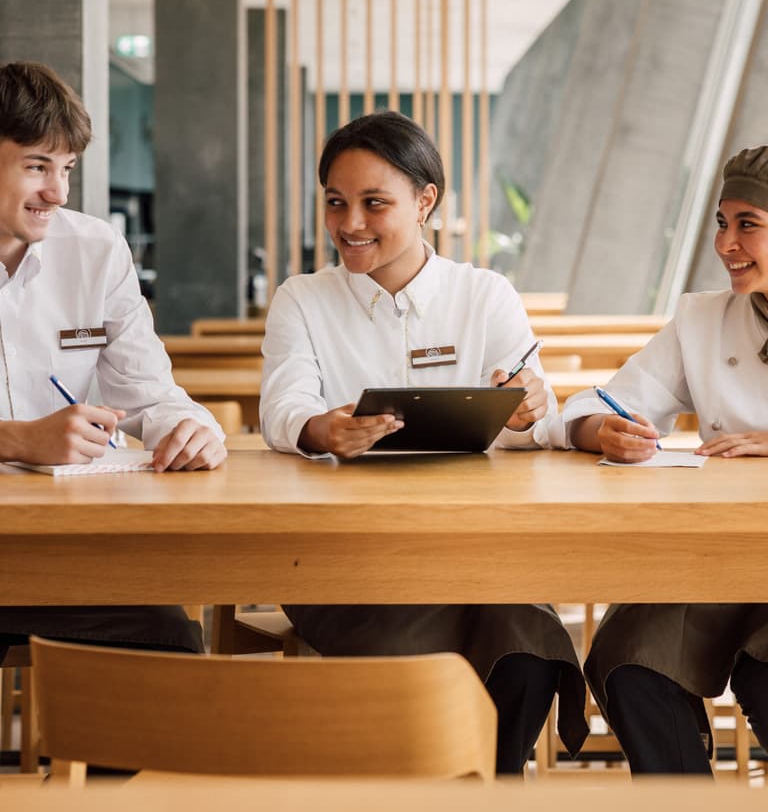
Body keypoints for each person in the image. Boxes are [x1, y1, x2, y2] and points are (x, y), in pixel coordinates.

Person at [260, 110, 588, 773]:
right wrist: (327, 429)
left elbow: (533, 409)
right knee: (461, 635)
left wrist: (525, 410)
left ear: (425, 201)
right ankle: (425, 790)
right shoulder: (303, 299)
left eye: (373, 203)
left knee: (526, 645)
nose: (349, 223)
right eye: (335, 203)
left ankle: (486, 788)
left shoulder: (485, 295)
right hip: (345, 558)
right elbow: (283, 405)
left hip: (474, 546)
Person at [545, 144, 768, 775]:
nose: (726, 243)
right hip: (720, 558)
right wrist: (603, 430)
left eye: (747, 224)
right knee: (629, 662)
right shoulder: (704, 320)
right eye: (721, 223)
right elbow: (595, 401)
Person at [0, 60, 227, 660]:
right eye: (37, 166)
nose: (59, 192)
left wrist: (194, 431)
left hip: (66, 549)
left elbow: (151, 398)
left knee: (170, 640)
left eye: (67, 168)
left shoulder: (96, 249)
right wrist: (17, 441)